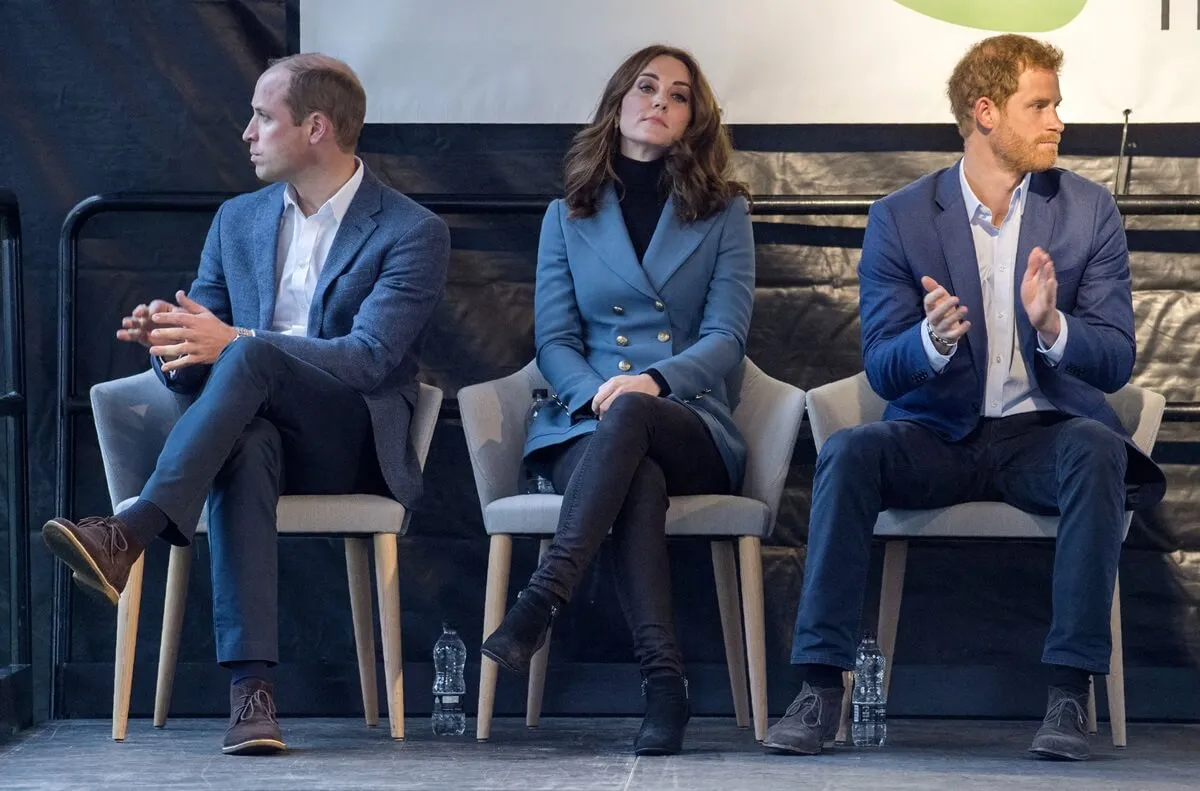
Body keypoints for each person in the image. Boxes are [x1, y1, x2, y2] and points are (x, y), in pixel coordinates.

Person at [763, 34, 1165, 761]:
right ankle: (820, 688)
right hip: (936, 434)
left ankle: (1070, 693)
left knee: (1100, 450)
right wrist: (932, 342)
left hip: (1039, 434)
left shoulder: (1087, 210)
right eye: (1039, 105)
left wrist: (1054, 326)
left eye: (1056, 105)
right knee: (850, 452)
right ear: (985, 111)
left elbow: (1114, 358)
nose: (1057, 121)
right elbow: (884, 367)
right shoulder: (903, 216)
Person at [41, 54, 450, 755]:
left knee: (254, 355)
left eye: (263, 116)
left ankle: (130, 530)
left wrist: (233, 340)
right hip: (250, 430)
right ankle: (252, 697)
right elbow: (205, 360)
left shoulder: (410, 231)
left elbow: (370, 358)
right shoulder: (238, 220)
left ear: (316, 126)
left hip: (345, 440)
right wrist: (169, 344)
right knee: (248, 437)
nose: (246, 133)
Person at [479, 43, 755, 756]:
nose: (660, 101)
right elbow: (555, 340)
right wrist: (595, 394)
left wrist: (655, 382)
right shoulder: (567, 215)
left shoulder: (723, 212)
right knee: (637, 474)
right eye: (646, 87)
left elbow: (726, 337)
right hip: (587, 419)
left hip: (687, 417)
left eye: (679, 94)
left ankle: (541, 598)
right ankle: (666, 685)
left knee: (638, 421)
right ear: (617, 103)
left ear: (695, 118)